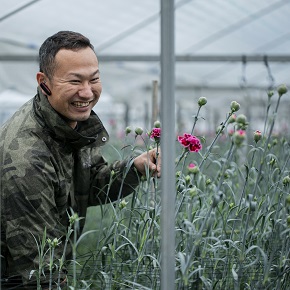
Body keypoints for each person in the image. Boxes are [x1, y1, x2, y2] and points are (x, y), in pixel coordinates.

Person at [0, 30, 161, 289]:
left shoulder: (66, 124)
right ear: (44, 81)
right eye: (75, 81)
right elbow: (40, 270)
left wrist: (137, 167)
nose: (87, 93)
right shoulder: (27, 157)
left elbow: (90, 182)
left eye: (94, 79)